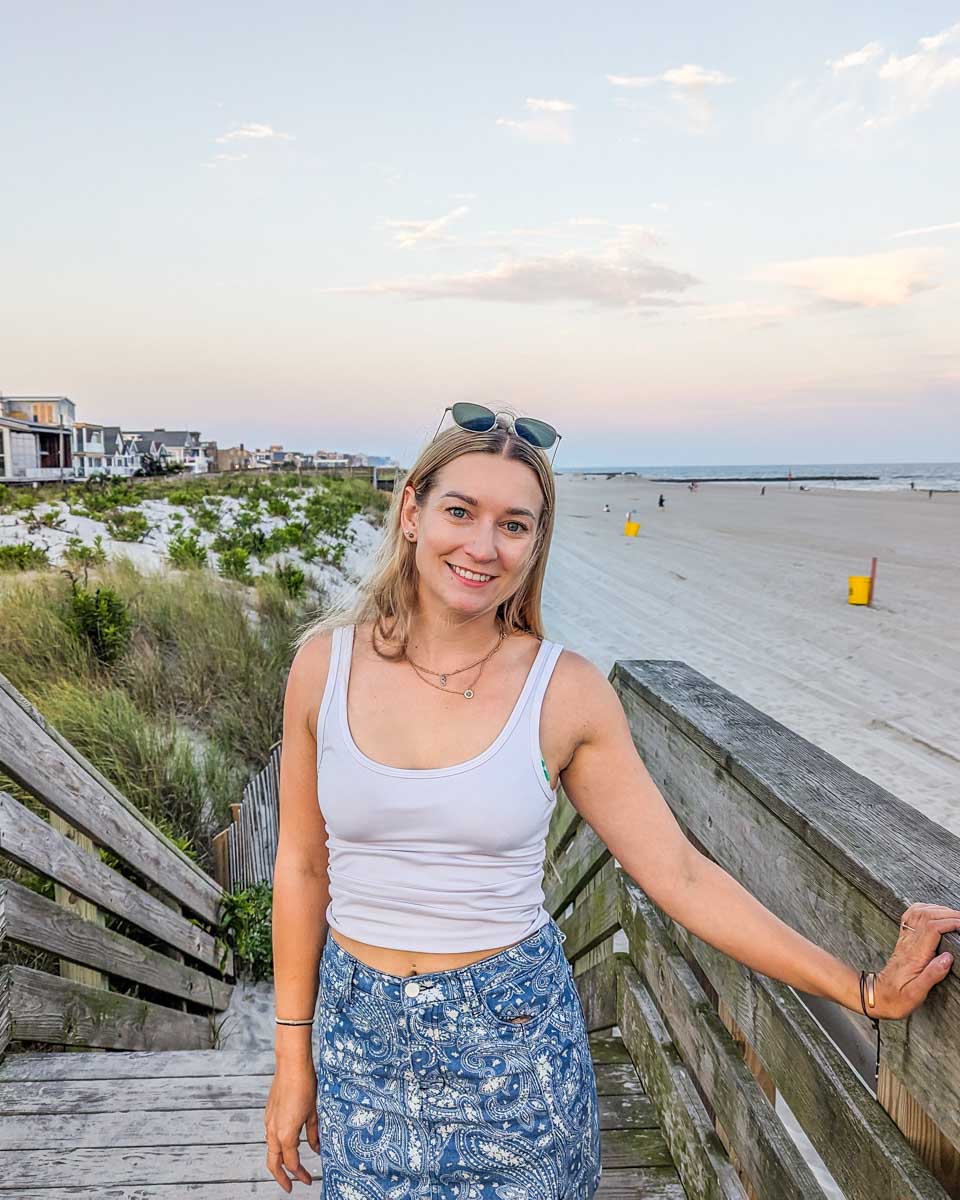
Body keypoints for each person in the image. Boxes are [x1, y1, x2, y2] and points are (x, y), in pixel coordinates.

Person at [264, 406, 960, 1197]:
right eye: (461, 511)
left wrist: (859, 989)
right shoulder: (324, 667)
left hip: (513, 1042)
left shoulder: (566, 694)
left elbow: (682, 877)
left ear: (536, 544)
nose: (484, 546)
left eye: (514, 525)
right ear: (412, 512)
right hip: (360, 1036)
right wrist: (293, 1056)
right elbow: (302, 864)